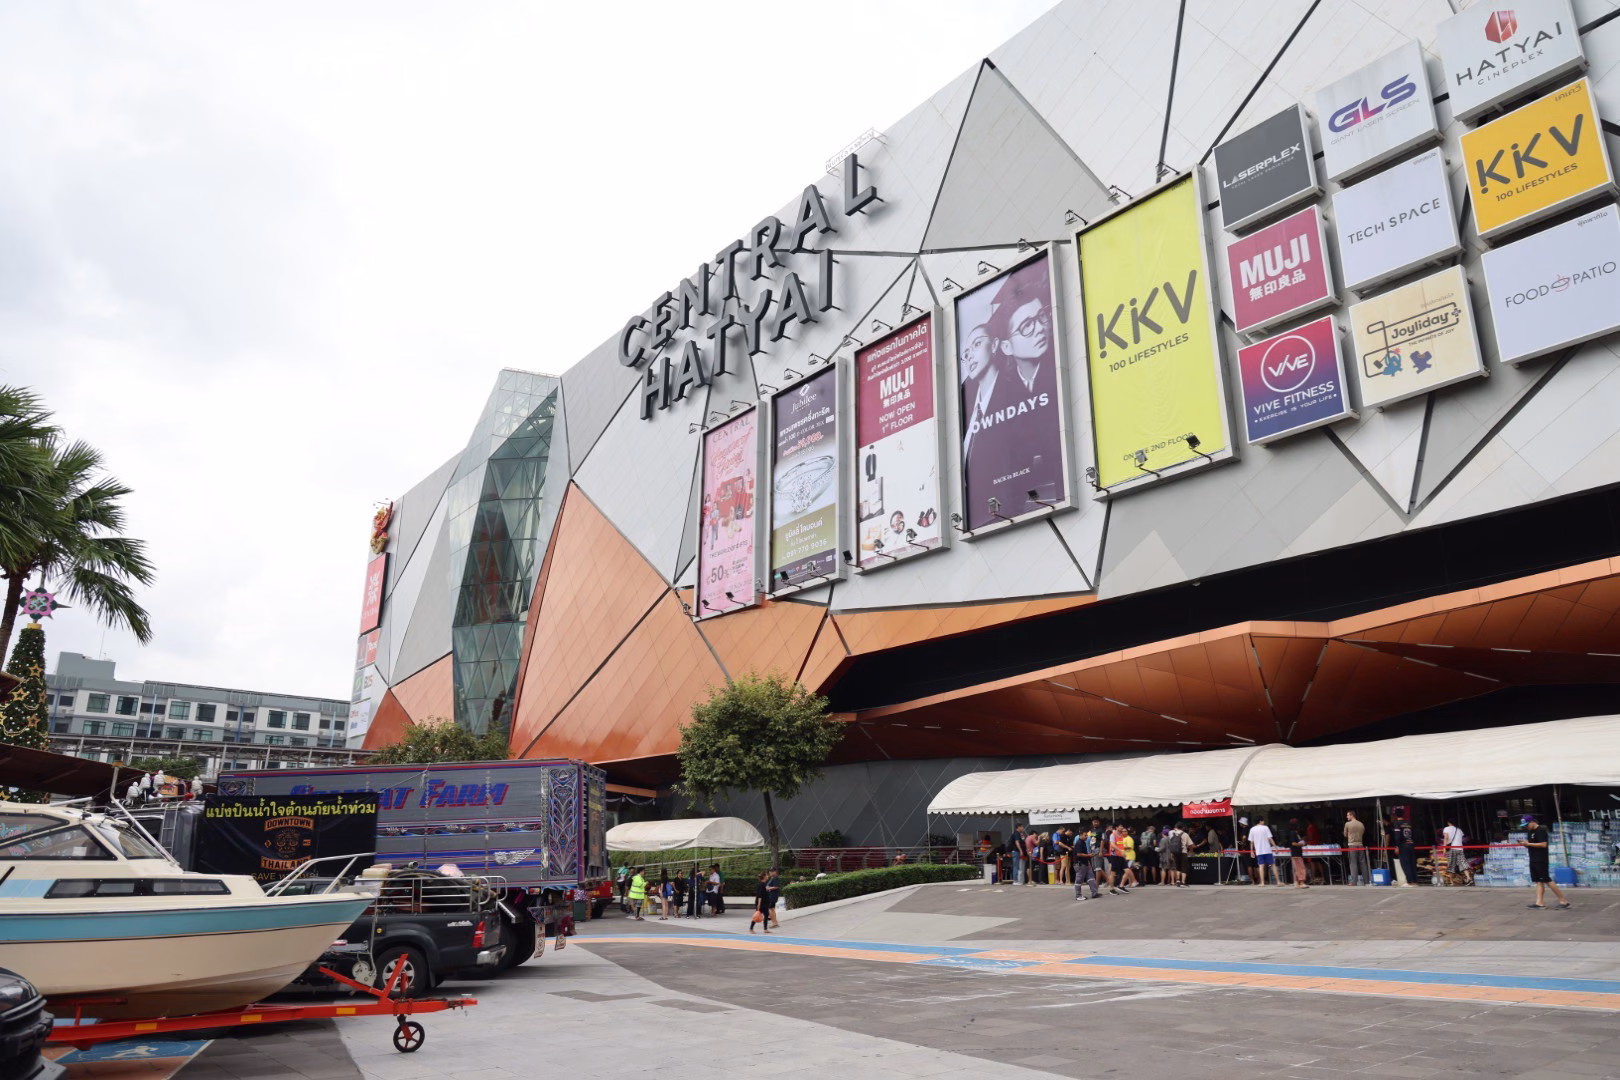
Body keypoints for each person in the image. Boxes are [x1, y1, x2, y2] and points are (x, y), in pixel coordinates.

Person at [1523, 815, 1571, 910]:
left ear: (1532, 821)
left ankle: (1563, 900)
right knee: (1538, 881)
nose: (1526, 827)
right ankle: (1539, 902)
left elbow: (1543, 844)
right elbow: (1532, 844)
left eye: (1527, 824)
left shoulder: (1540, 830)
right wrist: (1526, 844)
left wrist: (1528, 844)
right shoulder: (1530, 832)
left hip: (1541, 859)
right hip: (1533, 858)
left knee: (1546, 880)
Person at [1249, 816, 1281, 887]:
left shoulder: (1252, 829)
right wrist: (1275, 847)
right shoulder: (1265, 828)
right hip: (1267, 850)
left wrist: (1251, 851)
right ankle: (1278, 881)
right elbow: (1270, 838)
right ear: (1260, 821)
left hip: (1259, 851)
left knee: (1261, 866)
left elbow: (1251, 842)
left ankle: (1262, 882)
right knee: (1273, 865)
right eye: (1263, 820)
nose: (1263, 822)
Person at [1344, 810, 1370, 886]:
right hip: (1360, 844)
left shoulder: (1347, 824)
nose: (1347, 817)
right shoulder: (1361, 824)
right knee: (1363, 863)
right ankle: (1366, 881)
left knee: (1353, 863)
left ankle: (1354, 882)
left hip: (1352, 845)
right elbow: (1363, 833)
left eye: (1348, 815)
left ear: (1352, 815)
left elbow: (1345, 835)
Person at [1393, 816, 1419, 887]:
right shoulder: (1409, 823)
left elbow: (1397, 836)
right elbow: (1414, 834)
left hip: (1403, 846)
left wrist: (1397, 846)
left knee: (1405, 864)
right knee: (1412, 863)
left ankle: (1409, 882)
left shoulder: (1397, 824)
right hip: (1411, 844)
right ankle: (1415, 881)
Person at [1286, 818, 1310, 890]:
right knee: (1301, 868)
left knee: (1296, 868)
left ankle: (1296, 882)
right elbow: (1293, 843)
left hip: (1295, 853)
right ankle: (1301, 882)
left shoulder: (1293, 832)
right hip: (1296, 852)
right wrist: (1301, 844)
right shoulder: (1293, 833)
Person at [1441, 818, 1467, 882]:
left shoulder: (1446, 828)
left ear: (1448, 823)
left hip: (1452, 849)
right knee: (1462, 863)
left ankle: (1451, 881)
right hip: (1460, 848)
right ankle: (1468, 877)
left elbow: (1446, 838)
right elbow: (1462, 839)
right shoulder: (1459, 830)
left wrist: (1444, 848)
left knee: (1451, 865)